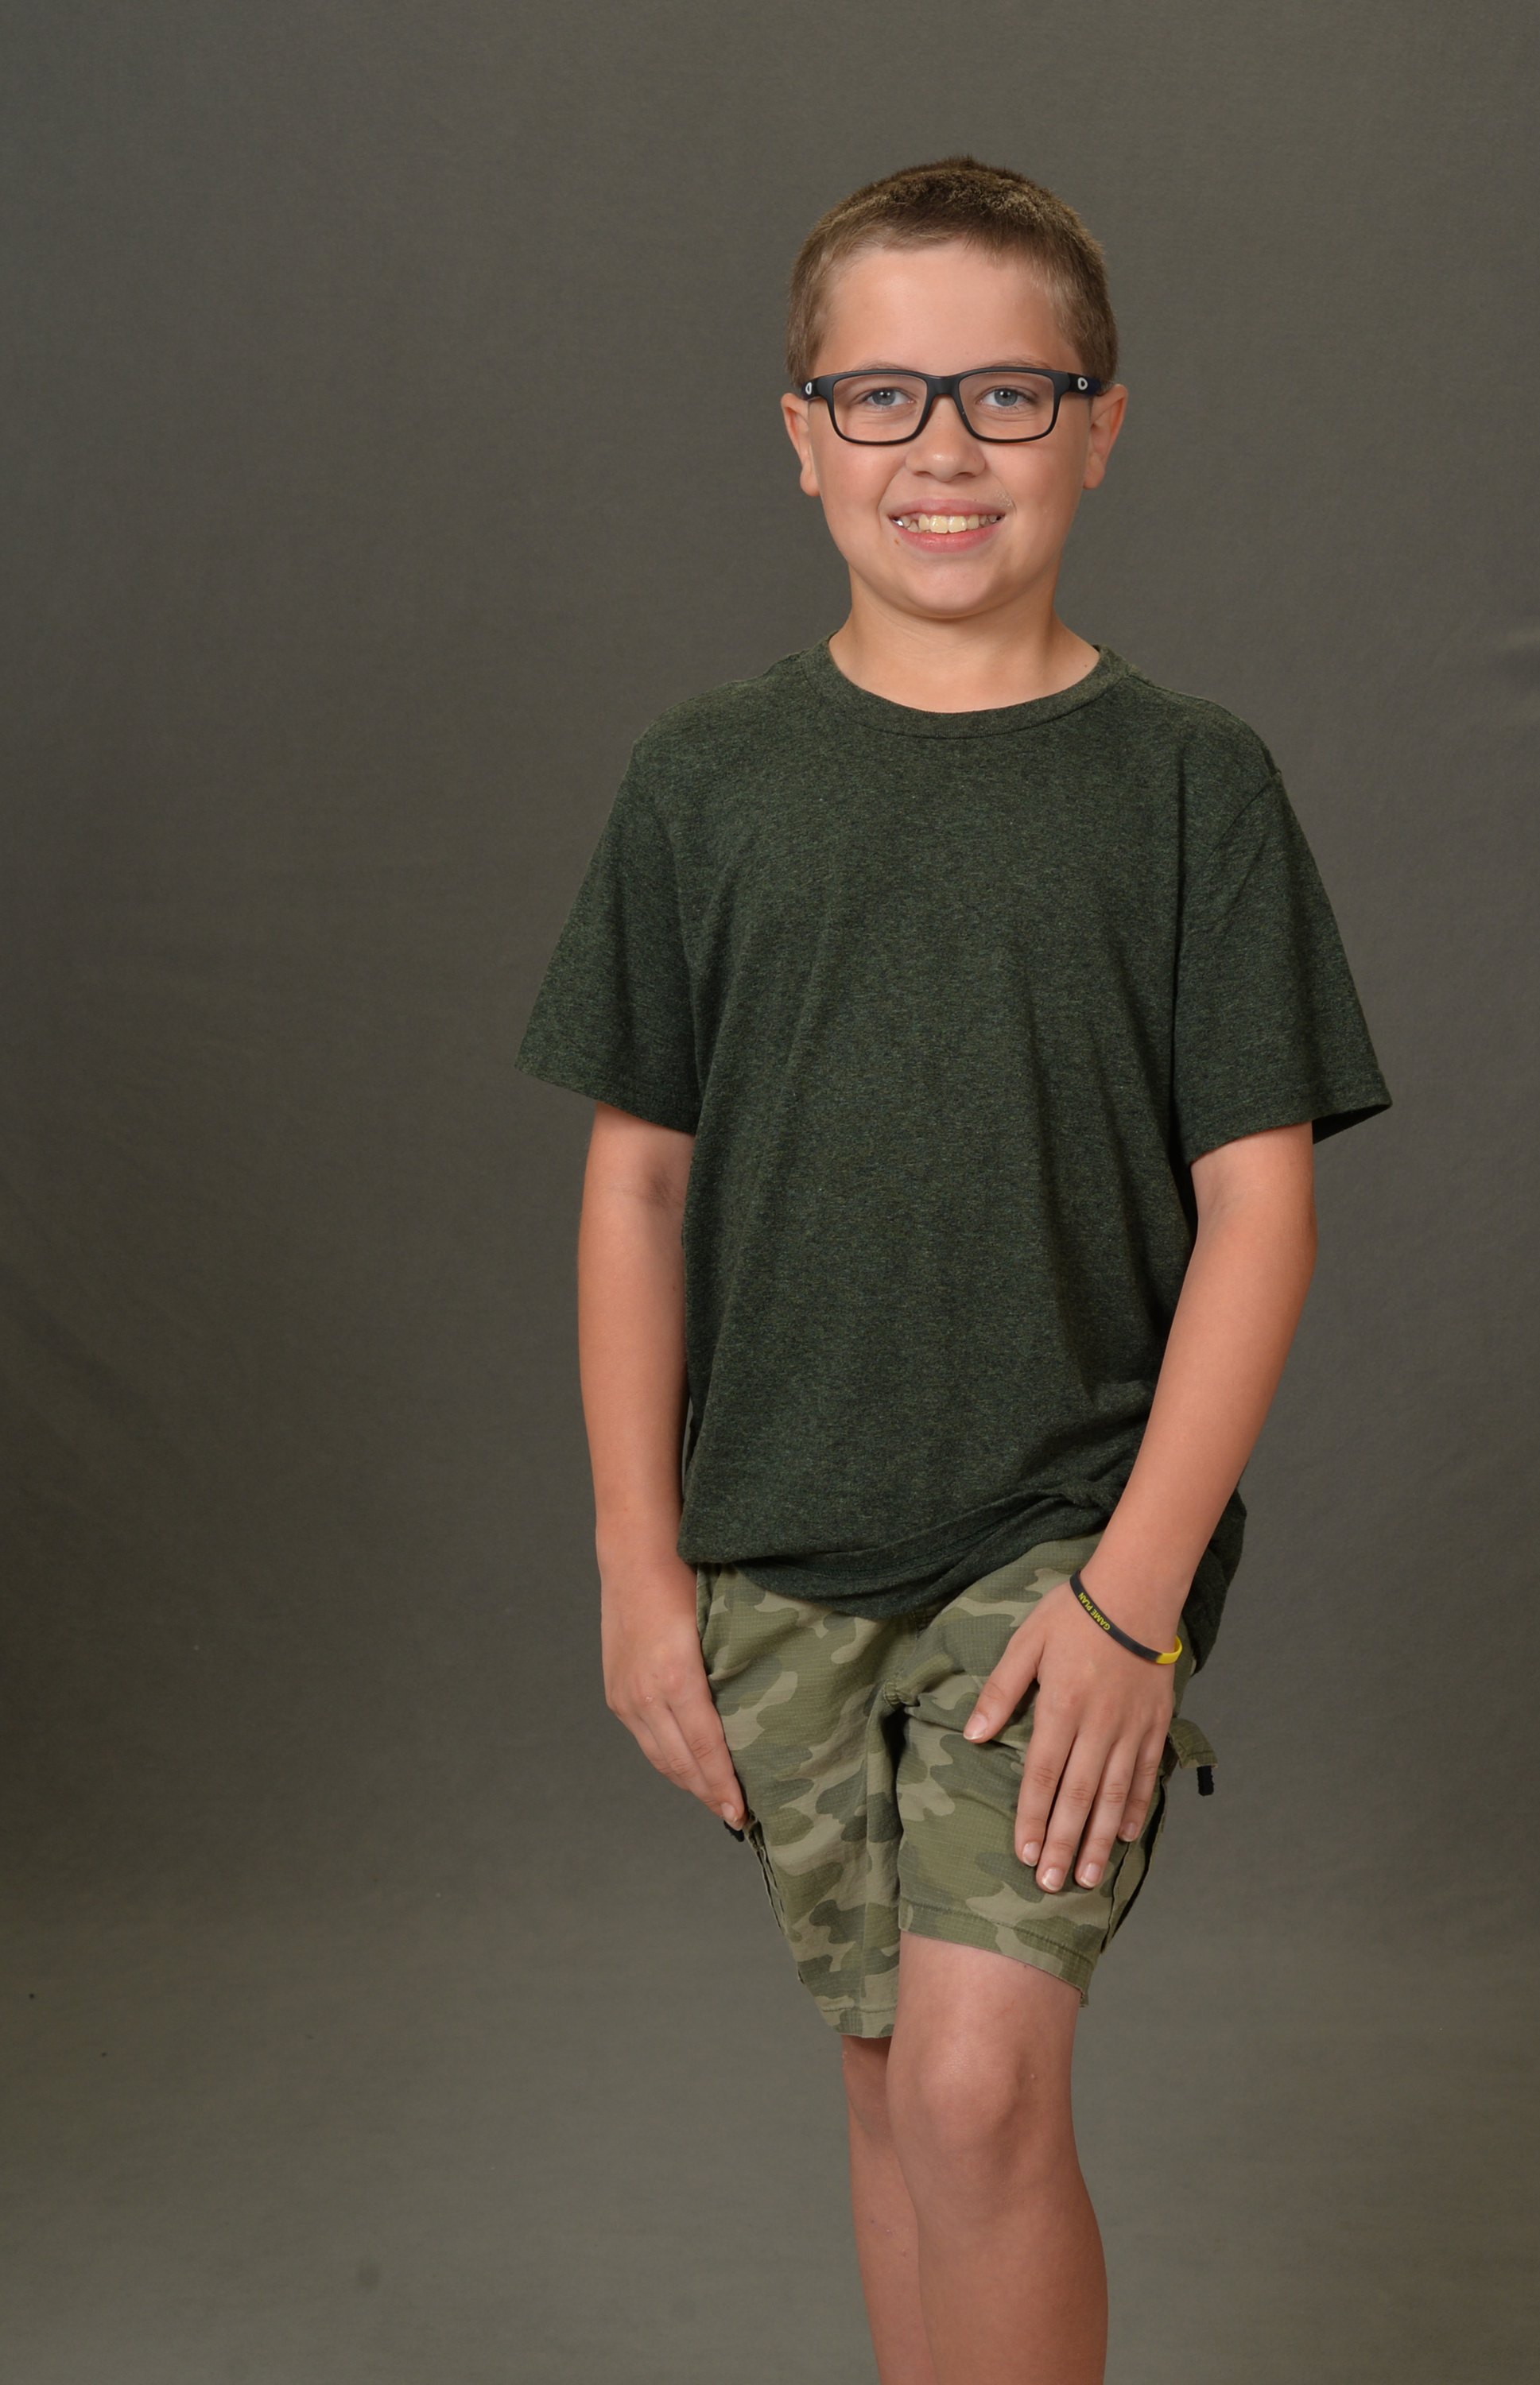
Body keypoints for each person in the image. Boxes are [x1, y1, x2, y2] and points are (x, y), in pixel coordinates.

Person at [516, 155, 1390, 2385]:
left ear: (1103, 426)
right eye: (883, 396)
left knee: (986, 2087)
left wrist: (1135, 1598)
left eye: (1010, 394)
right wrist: (636, 1568)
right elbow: (634, 1193)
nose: (944, 449)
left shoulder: (1191, 786)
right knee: (900, 2076)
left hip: (1068, 1541)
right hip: (779, 1547)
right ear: (799, 433)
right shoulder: (703, 781)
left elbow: (1261, 1211)